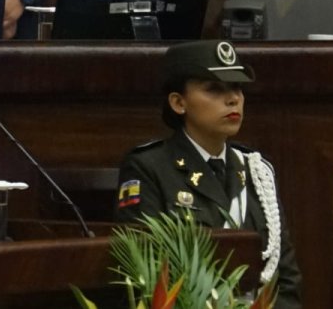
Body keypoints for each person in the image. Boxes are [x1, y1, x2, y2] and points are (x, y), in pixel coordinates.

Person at [115, 40, 302, 308]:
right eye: (214, 89)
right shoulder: (149, 168)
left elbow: (286, 277)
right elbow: (146, 275)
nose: (233, 98)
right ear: (179, 103)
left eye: (237, 87)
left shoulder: (256, 171)